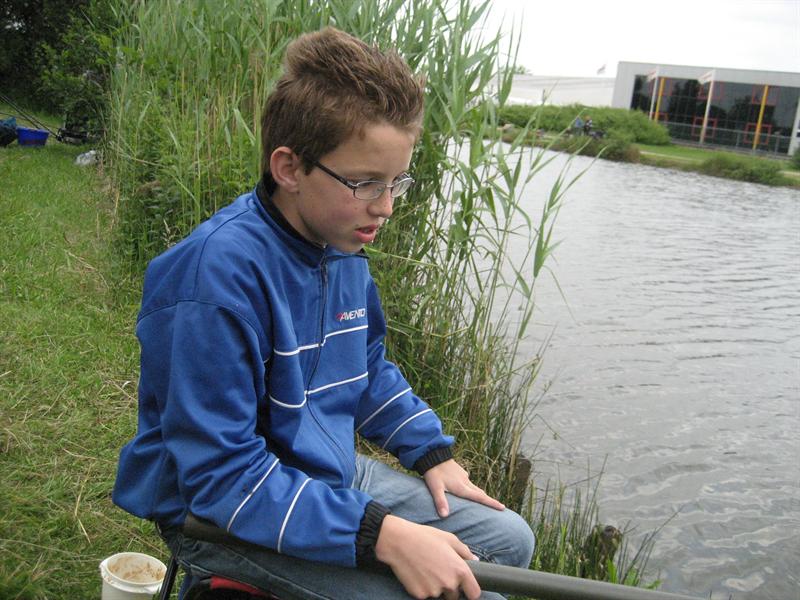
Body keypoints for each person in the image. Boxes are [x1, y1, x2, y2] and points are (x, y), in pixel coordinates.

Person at [112, 27, 534, 600]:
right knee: (468, 594)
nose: (386, 207)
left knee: (510, 541)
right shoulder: (212, 281)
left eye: (397, 183)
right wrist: (382, 536)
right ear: (290, 168)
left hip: (324, 471)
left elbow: (366, 368)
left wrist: (431, 453)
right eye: (366, 183)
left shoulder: (340, 247)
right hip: (218, 513)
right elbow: (220, 477)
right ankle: (220, 584)